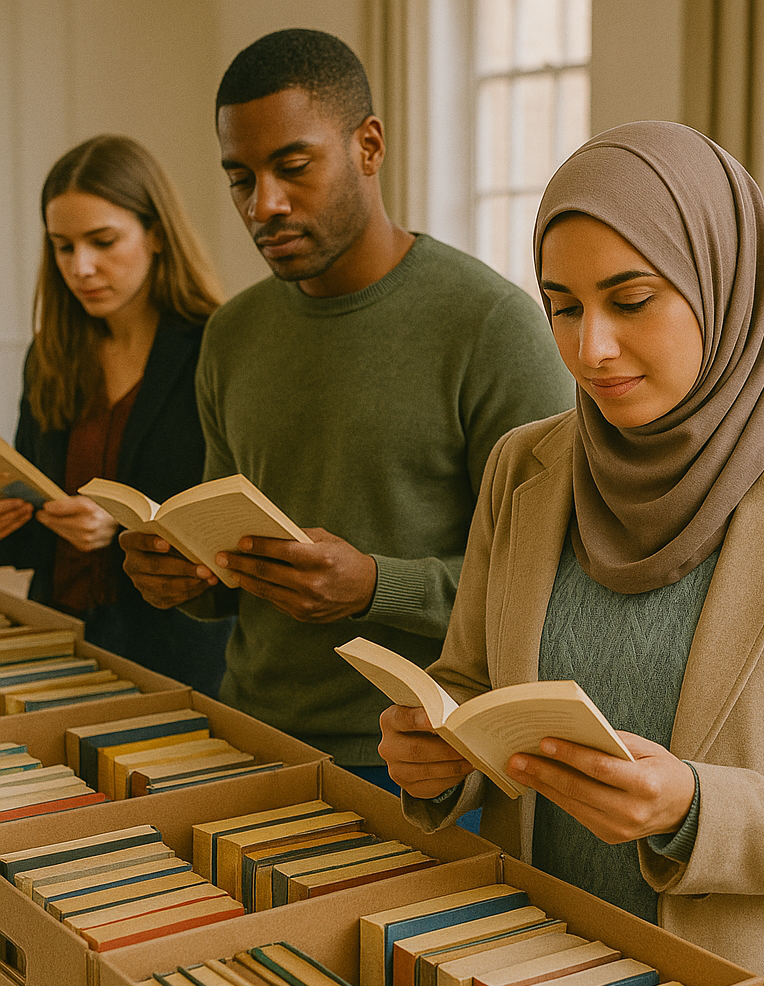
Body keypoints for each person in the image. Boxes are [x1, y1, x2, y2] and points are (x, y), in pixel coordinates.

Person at [377, 121, 764, 986]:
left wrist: (694, 808)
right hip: (537, 969)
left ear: (724, 286)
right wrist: (436, 761)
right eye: (563, 305)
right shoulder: (524, 467)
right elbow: (470, 684)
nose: (590, 347)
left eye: (631, 299)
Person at [119, 29, 572, 777]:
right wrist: (186, 578)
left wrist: (373, 585)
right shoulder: (233, 333)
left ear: (369, 145)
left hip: (419, 763)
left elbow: (553, 588)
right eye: (241, 178)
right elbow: (236, 580)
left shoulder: (491, 326)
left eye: (293, 167)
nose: (265, 204)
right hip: (246, 735)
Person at [0, 134, 232, 695]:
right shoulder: (51, 352)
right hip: (59, 636)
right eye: (62, 246)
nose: (81, 267)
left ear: (155, 233)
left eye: (103, 241)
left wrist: (121, 526)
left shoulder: (216, 347)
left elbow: (229, 517)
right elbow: (32, 510)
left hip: (176, 654)